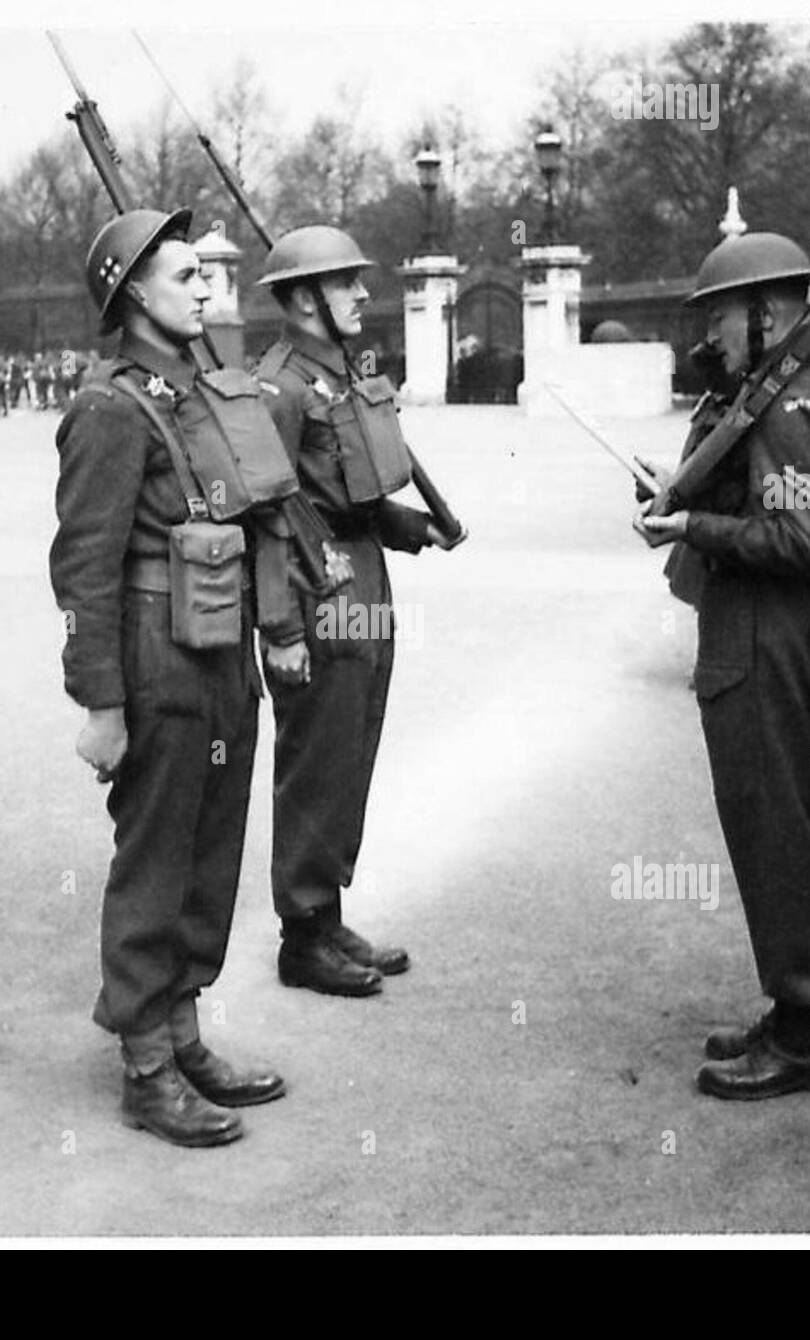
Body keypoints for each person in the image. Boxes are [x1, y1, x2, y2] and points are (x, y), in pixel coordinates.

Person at [50, 208, 311, 1147]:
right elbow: (84, 570)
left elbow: (260, 511)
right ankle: (146, 1069)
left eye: (206, 274)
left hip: (221, 651)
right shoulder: (110, 408)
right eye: (184, 276)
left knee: (209, 855)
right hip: (157, 663)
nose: (206, 288)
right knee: (156, 862)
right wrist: (102, 704)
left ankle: (184, 1032)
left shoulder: (201, 394)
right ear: (132, 295)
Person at [637, 232, 810, 1100]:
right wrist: (685, 497)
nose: (713, 335)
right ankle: (792, 1008)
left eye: (723, 316)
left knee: (777, 829)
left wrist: (696, 530)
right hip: (764, 631)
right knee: (784, 825)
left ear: (768, 312)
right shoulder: (785, 392)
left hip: (769, 637)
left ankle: (804, 1034)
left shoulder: (788, 404)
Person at [252, 225, 459, 997]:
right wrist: (279, 628)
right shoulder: (279, 388)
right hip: (316, 589)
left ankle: (327, 912)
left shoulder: (338, 376)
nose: (364, 294)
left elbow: (349, 498)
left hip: (363, 580)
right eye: (346, 284)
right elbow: (269, 517)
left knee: (351, 750)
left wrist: (412, 530)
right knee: (315, 759)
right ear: (304, 300)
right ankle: (301, 936)